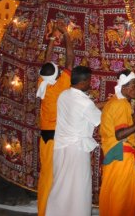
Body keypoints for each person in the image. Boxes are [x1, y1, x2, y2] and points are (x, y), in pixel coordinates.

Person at [45, 66, 102, 216]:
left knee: (61, 185)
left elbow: (86, 109)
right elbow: (98, 118)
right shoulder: (85, 103)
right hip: (76, 150)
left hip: (61, 147)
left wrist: (106, 102)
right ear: (83, 82)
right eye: (89, 80)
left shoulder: (64, 95)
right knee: (79, 188)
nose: (91, 82)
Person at [99, 70, 135, 216]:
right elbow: (120, 135)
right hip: (120, 155)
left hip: (116, 154)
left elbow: (126, 127)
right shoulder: (120, 105)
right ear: (123, 87)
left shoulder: (118, 102)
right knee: (121, 198)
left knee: (117, 195)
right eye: (134, 86)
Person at [37, 20, 75, 216]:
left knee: (46, 174)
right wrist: (66, 35)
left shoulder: (42, 85)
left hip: (45, 137)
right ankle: (47, 211)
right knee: (54, 177)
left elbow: (47, 59)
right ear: (57, 74)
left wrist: (52, 36)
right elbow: (70, 59)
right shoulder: (60, 87)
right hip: (56, 138)